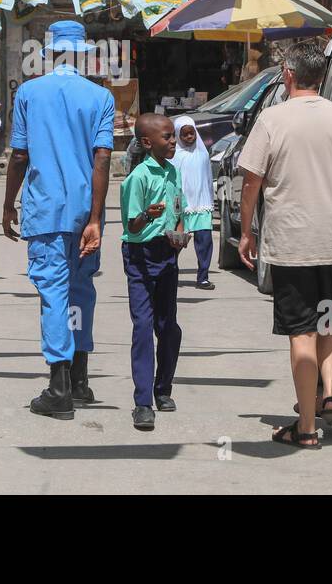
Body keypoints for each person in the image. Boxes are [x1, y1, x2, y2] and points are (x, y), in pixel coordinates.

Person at [237, 46, 332, 450]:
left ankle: (307, 427)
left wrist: (246, 232)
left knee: (301, 332)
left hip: (293, 241)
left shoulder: (272, 118)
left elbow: (251, 182)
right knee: (328, 319)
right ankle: (329, 394)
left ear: (288, 74)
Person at [3, 20, 115, 421]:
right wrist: (97, 218)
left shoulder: (30, 93)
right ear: (83, 53)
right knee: (80, 292)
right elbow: (103, 158)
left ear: (48, 52)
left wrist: (7, 205)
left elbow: (19, 155)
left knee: (53, 293)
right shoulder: (101, 96)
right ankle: (81, 378)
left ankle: (59, 386)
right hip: (86, 212)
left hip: (46, 213)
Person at [120, 114, 187, 431]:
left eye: (173, 136)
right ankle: (143, 401)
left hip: (167, 253)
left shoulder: (173, 172)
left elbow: (178, 208)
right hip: (141, 255)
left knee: (168, 326)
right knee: (144, 327)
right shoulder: (138, 178)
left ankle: (164, 389)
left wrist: (179, 231)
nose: (173, 141)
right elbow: (131, 226)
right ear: (147, 143)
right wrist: (148, 214)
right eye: (167, 137)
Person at [170, 115, 216, 291]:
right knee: (176, 244)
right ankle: (169, 275)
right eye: (185, 135)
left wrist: (210, 201)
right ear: (178, 135)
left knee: (204, 242)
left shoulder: (202, 153)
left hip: (202, 205)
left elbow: (208, 178)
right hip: (181, 206)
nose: (190, 137)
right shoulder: (174, 156)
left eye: (192, 133)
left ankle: (203, 277)